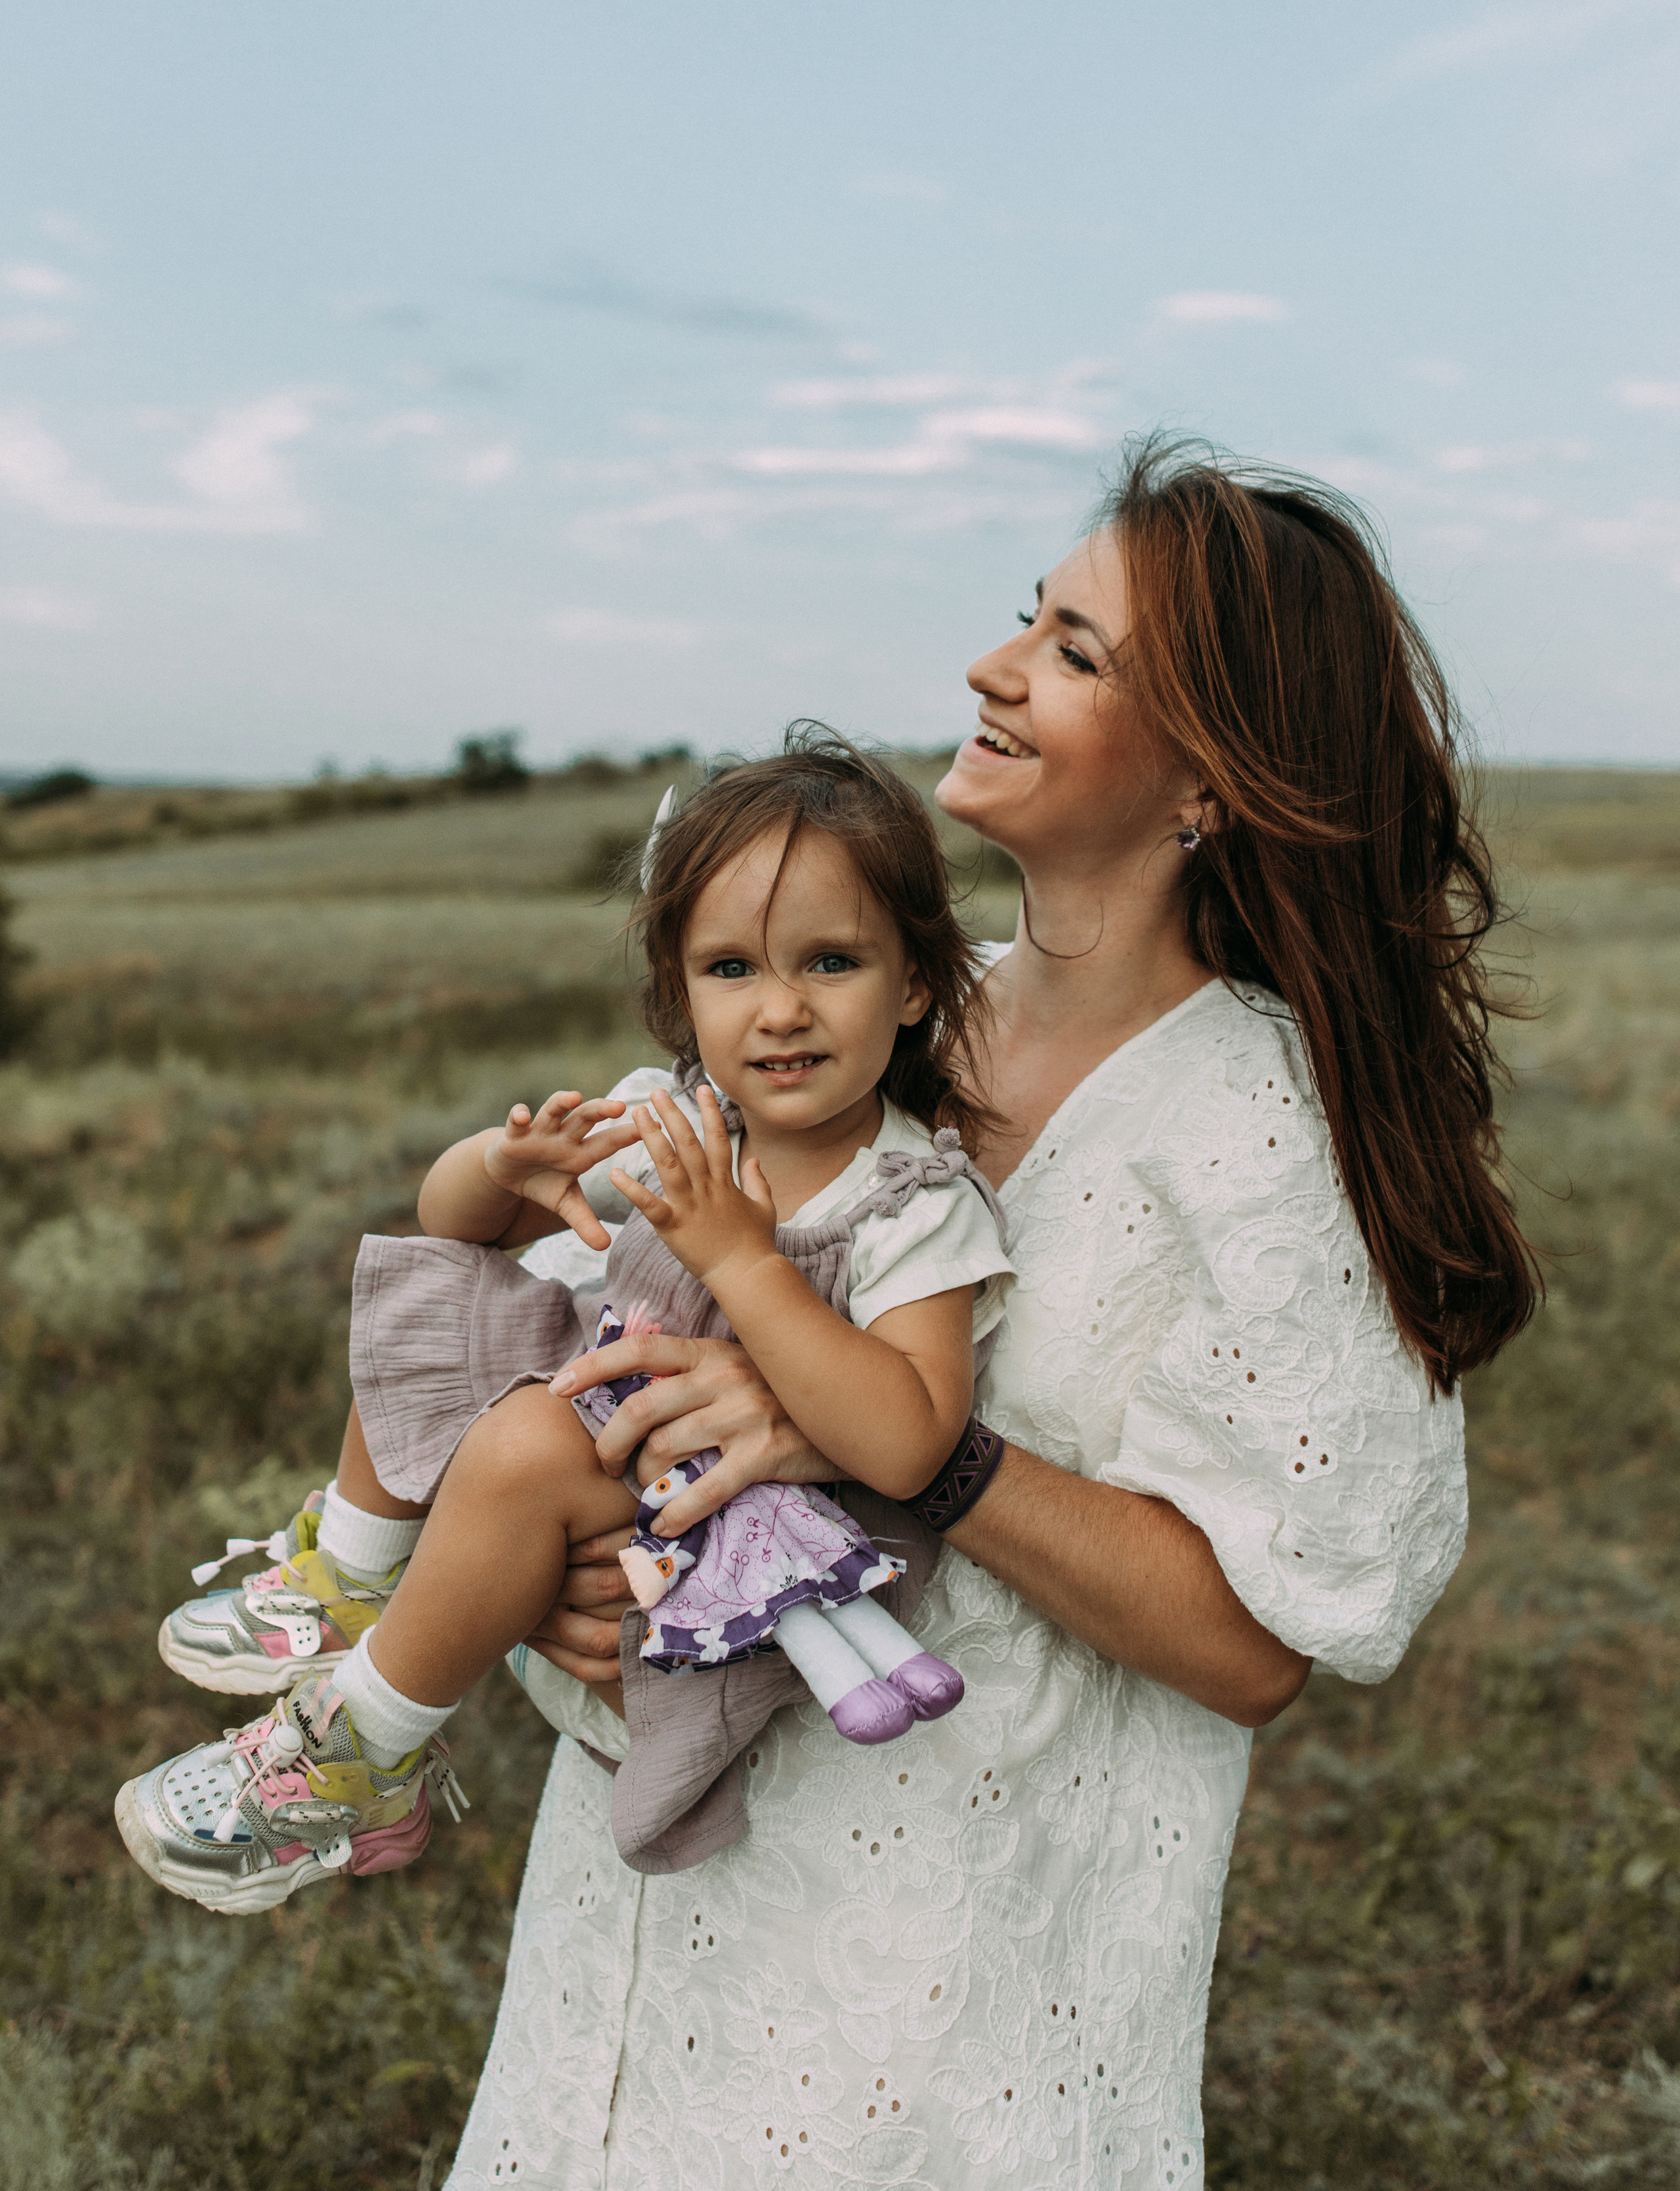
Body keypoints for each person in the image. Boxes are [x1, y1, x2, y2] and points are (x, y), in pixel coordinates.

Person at [442, 440, 1537, 2190]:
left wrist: (923, 1460)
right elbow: (619, 1342)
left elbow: (1259, 1645)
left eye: (1077, 651)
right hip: (646, 1939)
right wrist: (571, 1578)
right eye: (1027, 617)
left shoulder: (1258, 1134)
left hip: (950, 2016)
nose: (993, 665)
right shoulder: (871, 1026)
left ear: (1210, 779)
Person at [115, 741, 1017, 1911]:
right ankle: (348, 1573)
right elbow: (452, 1231)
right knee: (453, 1292)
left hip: (742, 1517)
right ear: (680, 993)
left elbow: (910, 1441)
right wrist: (502, 1168)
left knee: (530, 1441)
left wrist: (743, 1260)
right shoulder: (679, 1114)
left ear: (911, 985)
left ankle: (358, 1759)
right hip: (621, 1432)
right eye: (732, 966)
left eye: (832, 962)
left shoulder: (912, 1203)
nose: (782, 1009)